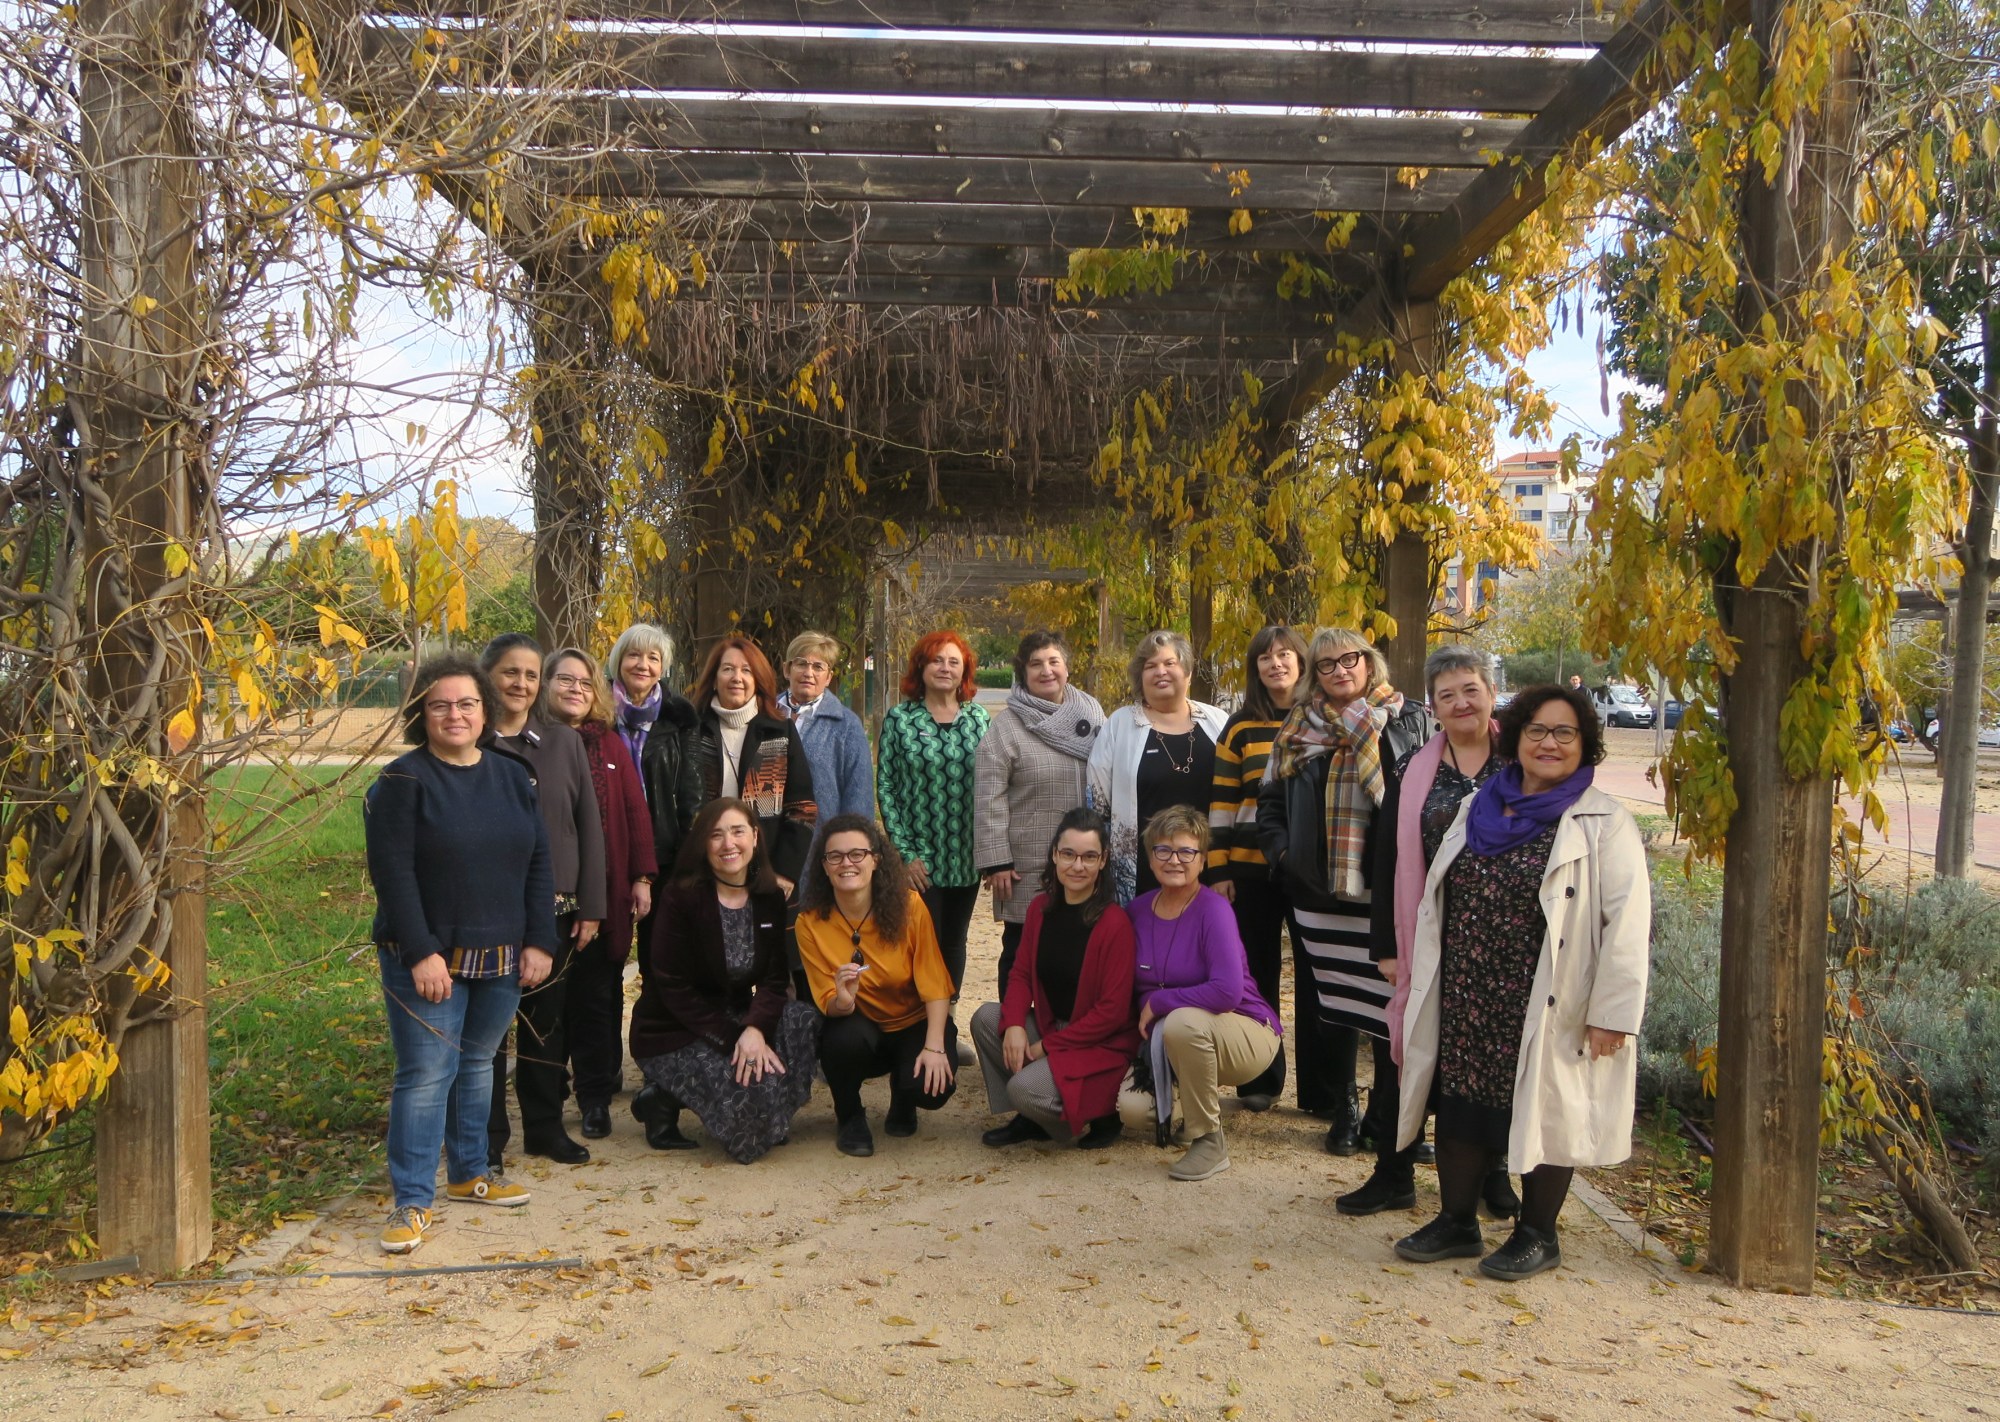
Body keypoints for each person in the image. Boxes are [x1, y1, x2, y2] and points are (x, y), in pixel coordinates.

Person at [1394, 685, 1650, 1280]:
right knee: (1460, 1106)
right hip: (1469, 989)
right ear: (1516, 737)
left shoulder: (1602, 822)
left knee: (1546, 1111)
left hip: (1547, 995)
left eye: (1564, 733)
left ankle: (1538, 1234)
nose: (1548, 743)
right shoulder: (1479, 805)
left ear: (1585, 744)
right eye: (1537, 729)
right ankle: (1458, 1221)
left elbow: (1628, 927)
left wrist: (1612, 1014)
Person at [364, 654, 555, 1255]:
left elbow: (538, 862)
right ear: (420, 713)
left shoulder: (514, 776)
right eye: (440, 705)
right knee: (425, 1076)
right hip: (429, 955)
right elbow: (393, 875)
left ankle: (471, 1172)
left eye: (467, 703)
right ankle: (411, 1200)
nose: (455, 714)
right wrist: (420, 952)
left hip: (502, 952)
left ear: (485, 710)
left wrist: (540, 939)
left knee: (477, 1064)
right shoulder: (401, 783)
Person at [1345, 645, 1519, 1218]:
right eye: (1447, 695)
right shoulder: (1412, 771)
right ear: (1434, 707)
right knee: (1404, 1053)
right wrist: (1386, 946)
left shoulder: (1521, 764)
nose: (1461, 702)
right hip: (1427, 935)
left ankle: (1493, 1173)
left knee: (1493, 1059)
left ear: (1491, 694)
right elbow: (1388, 861)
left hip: (1504, 941)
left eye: (1471, 690)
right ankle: (1393, 1171)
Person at [1257, 628, 1433, 1173]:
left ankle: (1385, 1112)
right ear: (1315, 673)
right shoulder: (1297, 724)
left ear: (1368, 661)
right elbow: (1270, 800)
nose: (1339, 671)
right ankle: (1345, 1108)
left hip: (1387, 890)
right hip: (1319, 890)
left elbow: (1429, 794)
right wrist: (1284, 856)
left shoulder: (1408, 719)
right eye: (1327, 664)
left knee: (1386, 1002)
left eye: (1348, 659)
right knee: (1333, 1004)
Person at [626, 799, 821, 1162]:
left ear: (755, 837)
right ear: (703, 844)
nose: (728, 843)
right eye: (716, 835)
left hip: (736, 1017)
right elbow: (672, 986)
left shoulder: (769, 896)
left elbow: (774, 980)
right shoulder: (681, 896)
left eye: (737, 832)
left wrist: (756, 1029)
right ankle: (659, 1099)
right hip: (676, 1029)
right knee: (749, 1139)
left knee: (803, 1019)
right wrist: (736, 1037)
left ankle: (771, 1114)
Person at [476, 634, 607, 1169]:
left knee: (545, 1025)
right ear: (488, 676)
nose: (521, 683)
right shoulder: (470, 741)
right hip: (487, 913)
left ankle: (544, 1128)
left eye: (531, 674)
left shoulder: (562, 742)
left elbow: (588, 824)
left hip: (555, 910)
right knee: (488, 1034)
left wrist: (592, 905)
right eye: (511, 672)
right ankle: (486, 1140)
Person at [1129, 805, 1281, 1181]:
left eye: (1186, 851)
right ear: (1150, 857)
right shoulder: (1136, 911)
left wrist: (1160, 1002)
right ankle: (1185, 1111)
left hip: (1246, 1029)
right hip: (1172, 1037)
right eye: (1163, 850)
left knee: (1182, 1023)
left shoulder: (1214, 910)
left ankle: (1209, 1140)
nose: (1174, 860)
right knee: (1134, 1111)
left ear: (1202, 859)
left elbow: (1227, 991)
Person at [543, 645, 658, 1141]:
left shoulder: (610, 744)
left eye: (585, 682)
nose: (575, 689)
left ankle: (594, 1097)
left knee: (596, 998)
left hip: (604, 891)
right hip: (546, 896)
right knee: (547, 1002)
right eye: (565, 680)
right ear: (546, 685)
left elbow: (635, 811)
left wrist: (642, 876)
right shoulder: (531, 740)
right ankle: (547, 1095)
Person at [970, 808, 1136, 1149]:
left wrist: (1047, 1047)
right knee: (986, 1018)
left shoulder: (1114, 924)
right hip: (1052, 1026)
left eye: (1089, 857)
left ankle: (1096, 1113)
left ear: (1103, 860)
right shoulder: (1040, 908)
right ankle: (1033, 1119)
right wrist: (1015, 1025)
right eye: (1069, 854)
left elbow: (1112, 1014)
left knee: (1023, 1089)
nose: (1078, 866)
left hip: (1095, 1044)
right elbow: (1021, 974)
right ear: (1055, 855)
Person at [796, 815, 958, 1157]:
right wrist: (843, 1000)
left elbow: (935, 984)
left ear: (876, 860)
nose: (846, 863)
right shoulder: (809, 922)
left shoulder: (910, 907)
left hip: (913, 1023)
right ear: (824, 866)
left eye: (857, 854)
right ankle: (849, 1115)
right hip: (860, 1027)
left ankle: (904, 1095)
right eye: (835, 856)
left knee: (930, 1088)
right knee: (839, 1037)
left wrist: (935, 1047)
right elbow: (826, 1001)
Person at [1206, 625, 1314, 1115]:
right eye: (1266, 657)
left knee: (1315, 976)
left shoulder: (1322, 719)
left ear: (1301, 661)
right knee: (1256, 972)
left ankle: (1321, 1091)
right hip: (1248, 870)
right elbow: (1222, 802)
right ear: (1255, 669)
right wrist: (1217, 868)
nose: (1276, 664)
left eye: (1285, 654)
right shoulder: (1240, 727)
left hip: (1311, 868)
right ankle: (1260, 1078)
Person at [975, 631, 1108, 996]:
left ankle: (1066, 1026)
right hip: (1025, 861)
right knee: (1021, 952)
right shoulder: (1006, 727)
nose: (1046, 670)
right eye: (1036, 664)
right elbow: (988, 797)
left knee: (1078, 950)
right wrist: (996, 861)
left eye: (1054, 661)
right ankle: (1012, 1023)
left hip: (1083, 858)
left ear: (1067, 667)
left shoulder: (1092, 713)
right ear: (1023, 672)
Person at [876, 630, 990, 992]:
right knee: (919, 942)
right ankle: (918, 1019)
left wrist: (991, 853)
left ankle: (947, 1018)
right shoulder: (900, 719)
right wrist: (905, 855)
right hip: (919, 862)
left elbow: (994, 787)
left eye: (954, 662)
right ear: (921, 667)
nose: (945, 668)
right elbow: (887, 788)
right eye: (937, 660)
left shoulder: (979, 719)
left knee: (954, 942)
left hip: (965, 859)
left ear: (964, 671)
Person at [1087, 631, 1230, 903]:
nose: (1160, 671)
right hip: (1139, 875)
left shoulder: (1218, 722)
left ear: (1187, 672)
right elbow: (1098, 804)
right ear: (1140, 677)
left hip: (1211, 873)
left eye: (1169, 663)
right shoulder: (1120, 725)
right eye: (1150, 666)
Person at [683, 634, 818, 893]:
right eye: (727, 669)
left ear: (757, 680)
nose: (737, 678)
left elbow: (802, 807)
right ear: (714, 679)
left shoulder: (779, 731)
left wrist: (784, 872)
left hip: (765, 873)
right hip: (703, 871)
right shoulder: (693, 732)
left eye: (746, 670)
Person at [607, 621, 699, 975]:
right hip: (608, 852)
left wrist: (689, 858)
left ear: (663, 667)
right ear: (619, 661)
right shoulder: (597, 714)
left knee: (660, 961)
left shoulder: (679, 717)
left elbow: (691, 792)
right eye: (634, 655)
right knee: (606, 961)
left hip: (664, 855)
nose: (643, 665)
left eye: (653, 658)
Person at [778, 631, 876, 822]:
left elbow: (859, 797)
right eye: (801, 663)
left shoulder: (847, 726)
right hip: (764, 837)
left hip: (821, 837)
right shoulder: (764, 713)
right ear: (787, 669)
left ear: (829, 677)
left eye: (818, 667)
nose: (809, 673)